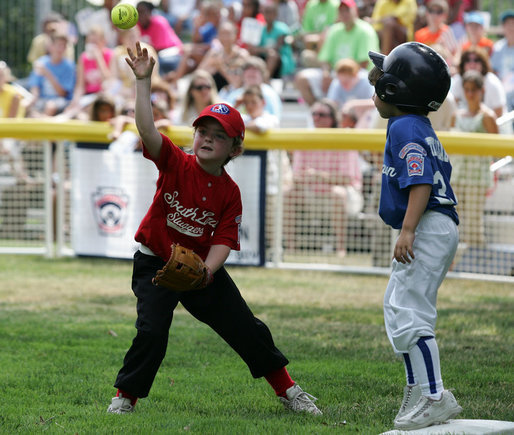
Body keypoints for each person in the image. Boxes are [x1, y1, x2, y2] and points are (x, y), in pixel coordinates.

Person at [106, 41, 322, 416]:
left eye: (218, 135)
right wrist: (144, 83)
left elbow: (224, 238)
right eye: (203, 131)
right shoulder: (176, 162)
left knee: (245, 327)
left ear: (234, 148)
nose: (207, 138)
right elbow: (147, 129)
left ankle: (289, 391)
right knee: (152, 332)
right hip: (154, 263)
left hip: (202, 270)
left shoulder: (230, 193)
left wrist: (207, 271)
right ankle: (126, 397)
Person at [368, 42, 462, 430]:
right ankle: (417, 387)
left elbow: (420, 180)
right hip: (433, 224)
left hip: (426, 224)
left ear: (394, 91)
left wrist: (408, 231)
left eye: (380, 81)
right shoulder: (414, 123)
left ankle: (435, 396)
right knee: (396, 306)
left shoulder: (404, 125)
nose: (374, 85)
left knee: (410, 313)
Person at [285, 99, 363, 257]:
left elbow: (347, 179)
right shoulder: (305, 138)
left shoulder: (344, 139)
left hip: (347, 196)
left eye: (321, 115)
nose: (316, 118)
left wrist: (316, 175)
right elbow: (297, 176)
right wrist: (312, 178)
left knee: (337, 193)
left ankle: (341, 248)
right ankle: (290, 248)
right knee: (288, 193)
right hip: (313, 193)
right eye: (314, 114)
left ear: (333, 118)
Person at [294, 0, 379, 106]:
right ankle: (320, 113)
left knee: (338, 82)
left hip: (358, 74)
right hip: (336, 74)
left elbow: (364, 63)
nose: (344, 14)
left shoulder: (365, 30)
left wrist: (341, 75)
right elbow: (325, 59)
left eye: (347, 10)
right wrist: (326, 73)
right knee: (302, 78)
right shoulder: (334, 30)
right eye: (341, 11)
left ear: (355, 11)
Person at [450, 70, 497, 251]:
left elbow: (496, 147)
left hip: (477, 177)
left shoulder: (487, 116)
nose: (470, 94)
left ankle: (478, 261)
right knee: (455, 219)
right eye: (467, 89)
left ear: (481, 91)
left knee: (474, 221)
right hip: (457, 174)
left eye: (474, 90)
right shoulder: (457, 115)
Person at [27, 33, 76, 117]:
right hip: (41, 100)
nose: (61, 49)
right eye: (59, 45)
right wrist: (31, 101)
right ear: (51, 46)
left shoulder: (69, 66)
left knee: (50, 106)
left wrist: (47, 73)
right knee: (25, 106)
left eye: (64, 46)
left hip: (60, 101)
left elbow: (62, 93)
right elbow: (35, 87)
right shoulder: (41, 62)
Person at [451, 47, 507, 119]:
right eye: (467, 60)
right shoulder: (458, 80)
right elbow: (452, 107)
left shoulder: (492, 82)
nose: (472, 64)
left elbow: (499, 114)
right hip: (465, 124)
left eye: (476, 60)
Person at [246, 1, 296, 79]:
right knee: (252, 55)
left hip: (281, 62)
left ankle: (265, 79)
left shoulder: (282, 28)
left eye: (270, 13)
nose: (268, 15)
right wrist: (265, 50)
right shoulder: (261, 29)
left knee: (272, 55)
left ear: (275, 14)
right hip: (265, 58)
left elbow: (277, 48)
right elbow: (253, 49)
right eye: (266, 12)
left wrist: (261, 50)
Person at [136, 1, 183, 78]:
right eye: (138, 12)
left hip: (173, 51)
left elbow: (158, 49)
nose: (140, 16)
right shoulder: (137, 25)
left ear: (150, 12)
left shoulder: (159, 23)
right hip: (155, 53)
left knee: (155, 62)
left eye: (143, 12)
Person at [414, 0, 459, 68]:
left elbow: (455, 60)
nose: (434, 15)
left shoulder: (447, 32)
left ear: (445, 15)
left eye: (439, 12)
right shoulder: (419, 34)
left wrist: (444, 49)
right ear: (426, 13)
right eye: (431, 11)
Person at [491, 10, 514, 114]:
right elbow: (494, 70)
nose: (511, 27)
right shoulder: (498, 47)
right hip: (501, 87)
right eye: (508, 24)